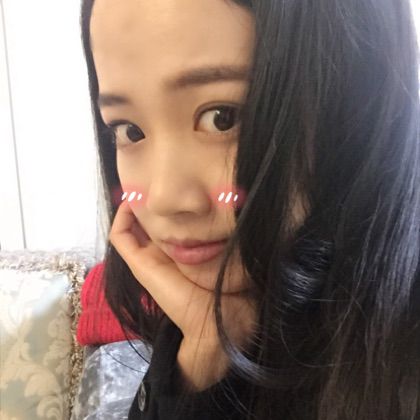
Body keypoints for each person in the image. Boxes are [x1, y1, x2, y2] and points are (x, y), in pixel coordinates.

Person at [79, 0, 420, 418]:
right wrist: (203, 358)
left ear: (357, 100)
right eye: (130, 130)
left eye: (223, 118)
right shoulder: (209, 306)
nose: (164, 199)